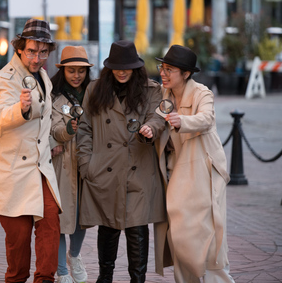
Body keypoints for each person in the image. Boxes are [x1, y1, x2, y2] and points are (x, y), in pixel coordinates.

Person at [0, 18, 62, 283]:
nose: (37, 57)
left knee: (50, 223)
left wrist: (53, 144)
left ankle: (45, 279)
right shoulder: (7, 76)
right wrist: (21, 109)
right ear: (21, 49)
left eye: (43, 52)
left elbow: (44, 118)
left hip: (38, 167)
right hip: (10, 169)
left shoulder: (43, 76)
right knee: (19, 238)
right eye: (32, 51)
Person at [76, 40, 166, 283]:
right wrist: (87, 164)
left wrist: (150, 129)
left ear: (137, 67)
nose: (122, 71)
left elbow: (158, 117)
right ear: (109, 67)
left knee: (137, 227)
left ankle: (138, 280)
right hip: (105, 168)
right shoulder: (95, 90)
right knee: (108, 226)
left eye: (127, 66)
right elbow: (84, 129)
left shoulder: (150, 90)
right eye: (117, 66)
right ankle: (105, 278)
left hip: (138, 166)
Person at [153, 45, 235, 283]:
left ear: (186, 73)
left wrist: (183, 121)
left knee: (209, 235)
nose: (163, 73)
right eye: (162, 67)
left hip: (205, 170)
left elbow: (207, 118)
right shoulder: (163, 94)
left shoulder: (202, 93)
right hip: (178, 171)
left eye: (170, 69)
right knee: (179, 233)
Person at [50, 46, 92, 283]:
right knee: (62, 219)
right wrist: (64, 133)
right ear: (63, 71)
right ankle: (62, 271)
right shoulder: (53, 96)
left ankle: (74, 256)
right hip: (62, 164)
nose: (76, 75)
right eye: (71, 70)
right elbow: (48, 127)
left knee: (82, 217)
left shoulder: (94, 95)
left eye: (81, 71)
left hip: (87, 163)